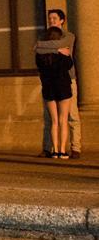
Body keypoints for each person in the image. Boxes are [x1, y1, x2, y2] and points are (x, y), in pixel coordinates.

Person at [39, 9, 81, 159]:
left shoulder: (68, 36)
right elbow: (37, 48)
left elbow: (42, 48)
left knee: (72, 114)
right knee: (49, 117)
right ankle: (48, 148)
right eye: (50, 18)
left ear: (62, 20)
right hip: (50, 82)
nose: (51, 21)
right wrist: (56, 49)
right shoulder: (45, 38)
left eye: (54, 18)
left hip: (68, 80)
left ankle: (75, 147)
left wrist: (45, 47)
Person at [35, 26, 73, 159]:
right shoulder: (63, 53)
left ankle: (55, 150)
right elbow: (69, 65)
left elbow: (39, 66)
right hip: (63, 86)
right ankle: (62, 150)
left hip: (48, 87)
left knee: (54, 121)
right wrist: (59, 51)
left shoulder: (40, 55)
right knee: (64, 120)